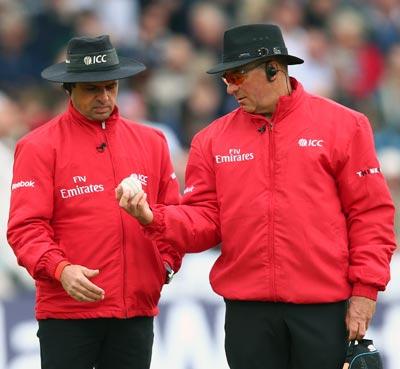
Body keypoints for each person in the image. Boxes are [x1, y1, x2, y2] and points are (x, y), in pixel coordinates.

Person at [116, 24, 397, 369]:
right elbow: (204, 222)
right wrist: (152, 217)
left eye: (236, 76)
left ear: (274, 69)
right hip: (247, 313)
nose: (231, 87)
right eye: (225, 79)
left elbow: (371, 214)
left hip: (325, 308)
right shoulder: (211, 140)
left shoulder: (345, 125)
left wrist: (365, 291)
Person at [7, 35, 182, 369]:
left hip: (135, 312)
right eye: (92, 88)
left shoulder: (152, 142)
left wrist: (166, 266)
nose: (104, 97)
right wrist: (61, 269)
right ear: (69, 89)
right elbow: (25, 229)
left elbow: (173, 216)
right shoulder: (38, 146)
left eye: (111, 86)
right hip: (68, 313)